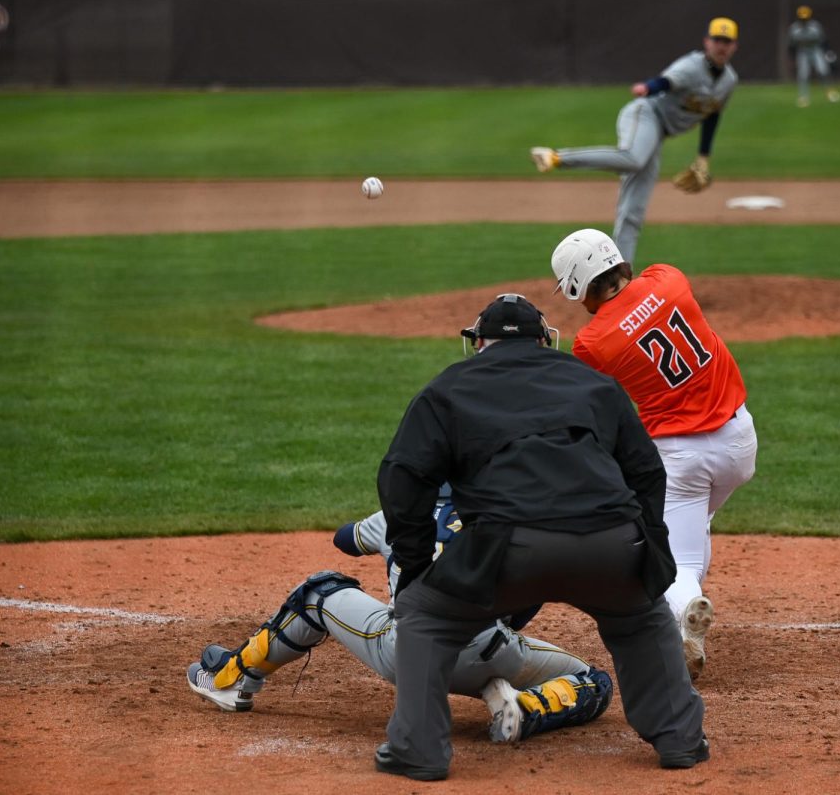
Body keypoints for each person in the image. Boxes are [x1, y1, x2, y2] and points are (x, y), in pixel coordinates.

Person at [374, 293, 707, 781]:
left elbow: (401, 477)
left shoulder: (448, 386)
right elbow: (647, 470)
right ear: (546, 339)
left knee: (424, 614)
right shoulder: (595, 383)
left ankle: (417, 750)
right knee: (641, 615)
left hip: (509, 549)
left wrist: (418, 564)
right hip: (611, 542)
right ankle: (681, 739)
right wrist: (648, 550)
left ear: (478, 342)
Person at [184, 486, 613, 745]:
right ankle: (525, 707)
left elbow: (344, 540)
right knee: (594, 680)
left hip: (408, 653)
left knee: (319, 592)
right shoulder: (508, 520)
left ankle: (234, 678)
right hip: (492, 651)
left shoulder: (399, 516)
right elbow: (531, 599)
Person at [549, 228, 758, 681]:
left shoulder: (593, 341)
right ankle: (689, 596)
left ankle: (685, 610)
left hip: (680, 458)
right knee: (696, 522)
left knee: (672, 555)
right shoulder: (670, 278)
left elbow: (580, 388)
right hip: (740, 443)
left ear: (581, 285)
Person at [529, 17, 740, 263]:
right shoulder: (691, 66)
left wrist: (703, 157)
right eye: (717, 40)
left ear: (735, 45)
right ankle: (555, 158)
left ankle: (621, 278)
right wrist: (647, 87)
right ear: (707, 41)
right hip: (645, 115)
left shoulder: (729, 81)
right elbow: (666, 82)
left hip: (658, 133)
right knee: (633, 157)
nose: (721, 46)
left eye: (727, 41)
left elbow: (712, 114)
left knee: (633, 212)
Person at [787, 5, 840, 107]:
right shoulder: (794, 29)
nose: (804, 20)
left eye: (805, 18)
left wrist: (828, 52)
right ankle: (803, 97)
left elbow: (824, 41)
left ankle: (830, 92)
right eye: (802, 18)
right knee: (803, 75)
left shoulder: (815, 27)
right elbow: (791, 45)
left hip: (816, 50)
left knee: (823, 71)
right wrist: (792, 58)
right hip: (802, 52)